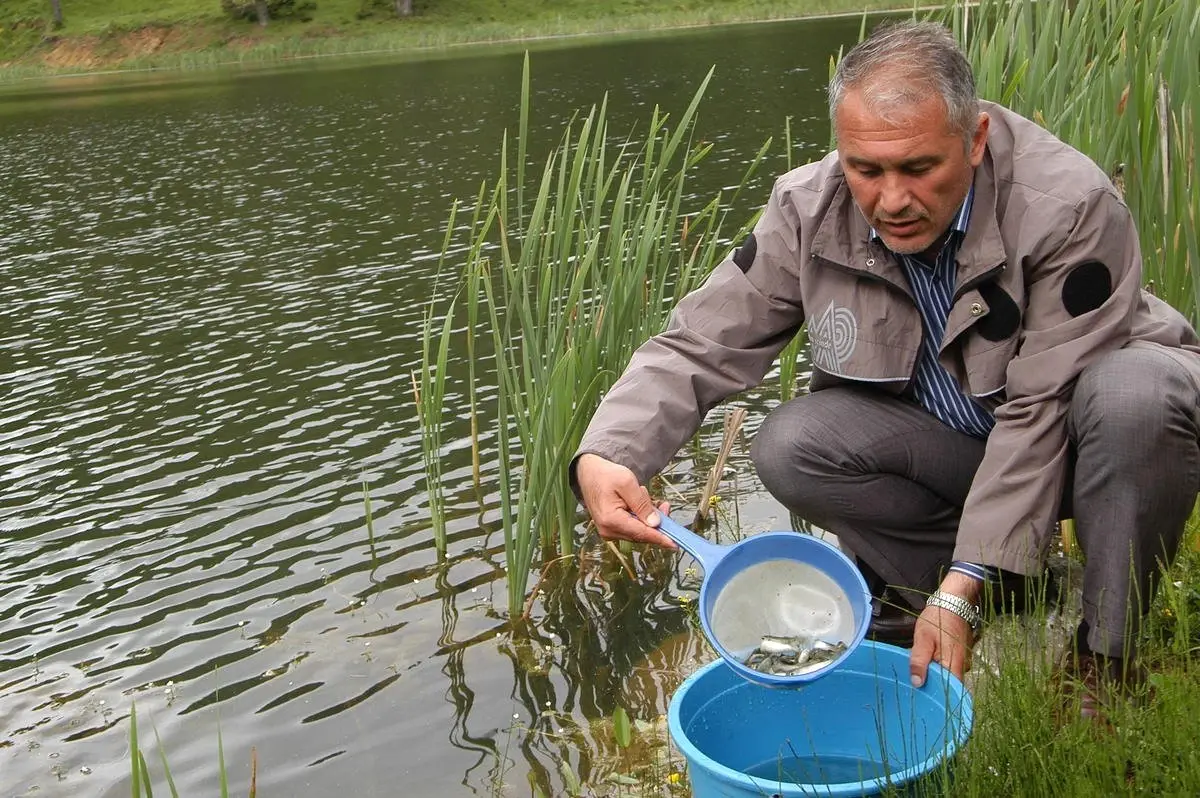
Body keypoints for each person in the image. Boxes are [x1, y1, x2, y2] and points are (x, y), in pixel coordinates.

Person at [569, 20, 1200, 721]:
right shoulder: (807, 208)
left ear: (977, 139)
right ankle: (997, 589)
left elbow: (1041, 409)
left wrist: (962, 583)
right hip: (964, 445)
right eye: (866, 170)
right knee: (793, 444)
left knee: (1134, 396)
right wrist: (607, 452)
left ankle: (1102, 659)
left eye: (919, 168)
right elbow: (699, 341)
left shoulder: (1068, 204)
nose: (891, 200)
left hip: (1082, 443)